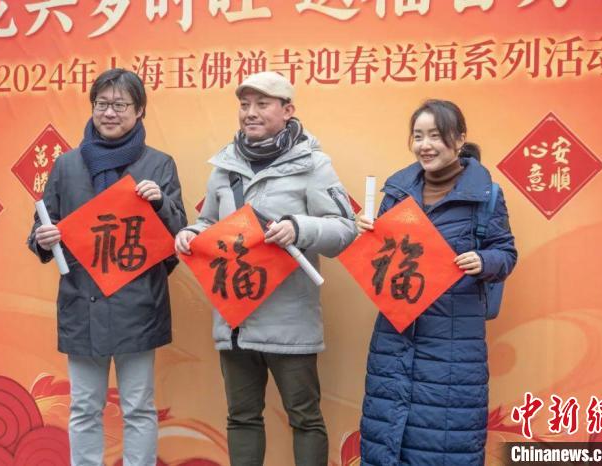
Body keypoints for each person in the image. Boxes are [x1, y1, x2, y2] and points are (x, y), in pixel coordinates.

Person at [175, 71, 357, 466]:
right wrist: (191, 234)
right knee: (241, 417)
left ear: (287, 110)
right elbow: (209, 222)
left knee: (304, 418)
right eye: (244, 105)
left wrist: (299, 228)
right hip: (235, 320)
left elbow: (345, 229)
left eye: (262, 104)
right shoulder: (224, 166)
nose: (250, 113)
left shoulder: (313, 164)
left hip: (289, 320)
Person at [27, 68, 187, 466]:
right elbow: (42, 227)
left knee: (138, 406)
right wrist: (43, 239)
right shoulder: (67, 165)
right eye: (102, 104)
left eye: (119, 105)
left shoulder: (158, 165)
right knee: (84, 406)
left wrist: (160, 203)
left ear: (140, 110)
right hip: (83, 303)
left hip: (138, 304)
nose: (109, 113)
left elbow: (181, 236)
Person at [357, 99, 517, 466]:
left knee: (444, 442)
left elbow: (506, 252)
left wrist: (484, 261)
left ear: (459, 139)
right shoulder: (397, 192)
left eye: (435, 136)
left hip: (454, 342)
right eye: (418, 136)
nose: (425, 145)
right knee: (386, 438)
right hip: (395, 337)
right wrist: (366, 234)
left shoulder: (486, 195)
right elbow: (381, 260)